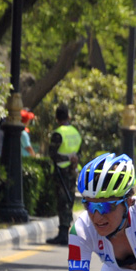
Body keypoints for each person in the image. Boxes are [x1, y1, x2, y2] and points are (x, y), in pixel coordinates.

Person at [46, 104, 82, 245]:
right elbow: (79, 153)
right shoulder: (75, 132)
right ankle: (65, 232)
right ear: (69, 116)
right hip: (72, 171)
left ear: (56, 118)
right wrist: (73, 159)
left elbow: (52, 154)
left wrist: (66, 159)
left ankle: (63, 234)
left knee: (62, 203)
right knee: (69, 201)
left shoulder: (58, 133)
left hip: (61, 171)